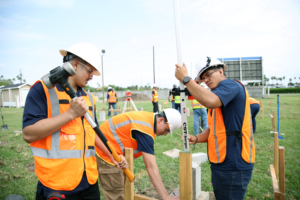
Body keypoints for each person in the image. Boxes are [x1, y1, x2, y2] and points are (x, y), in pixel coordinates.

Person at [22, 43, 119, 200]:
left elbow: (91, 132)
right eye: (90, 70)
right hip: (57, 184)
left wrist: (111, 155)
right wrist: (70, 114)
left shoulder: (88, 98)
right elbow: (28, 134)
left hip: (89, 181)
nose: (92, 76)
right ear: (75, 65)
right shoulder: (43, 90)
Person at [175, 56, 255, 200]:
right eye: (203, 77)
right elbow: (213, 129)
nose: (206, 80)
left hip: (234, 163)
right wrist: (197, 138)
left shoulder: (231, 86)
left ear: (220, 71)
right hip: (222, 162)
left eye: (208, 75)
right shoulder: (218, 95)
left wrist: (187, 80)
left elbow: (210, 101)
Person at [95, 108, 181, 200]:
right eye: (166, 130)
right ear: (161, 120)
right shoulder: (145, 129)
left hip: (115, 155)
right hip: (106, 155)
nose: (165, 134)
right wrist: (166, 197)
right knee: (116, 194)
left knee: (122, 190)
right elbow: (151, 167)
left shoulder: (147, 119)